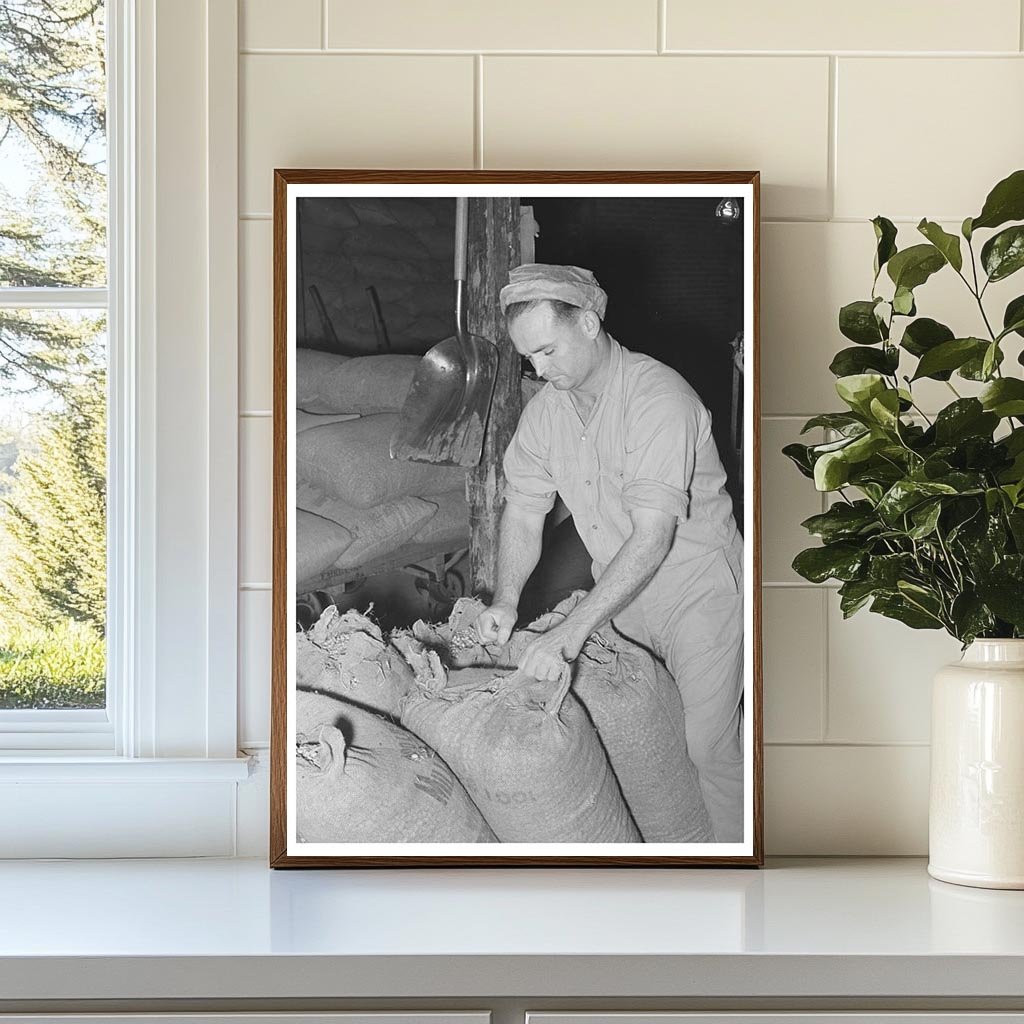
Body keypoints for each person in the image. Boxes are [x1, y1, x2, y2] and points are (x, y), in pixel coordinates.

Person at [476, 263, 745, 843]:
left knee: (709, 744)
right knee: (652, 731)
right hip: (622, 596)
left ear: (589, 324)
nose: (539, 370)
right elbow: (523, 509)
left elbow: (652, 538)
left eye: (548, 351)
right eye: (529, 359)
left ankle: (737, 868)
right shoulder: (546, 413)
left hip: (697, 593)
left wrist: (568, 633)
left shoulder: (659, 399)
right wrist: (505, 599)